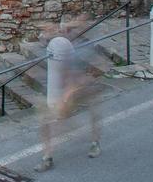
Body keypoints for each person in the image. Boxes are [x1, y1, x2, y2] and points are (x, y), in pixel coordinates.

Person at [35, 17, 103, 171]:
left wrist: (68, 93)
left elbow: (77, 76)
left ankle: (95, 142)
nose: (65, 32)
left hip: (80, 86)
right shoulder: (60, 45)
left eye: (69, 30)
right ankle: (47, 157)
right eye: (65, 30)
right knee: (44, 119)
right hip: (63, 87)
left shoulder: (82, 49)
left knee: (93, 111)